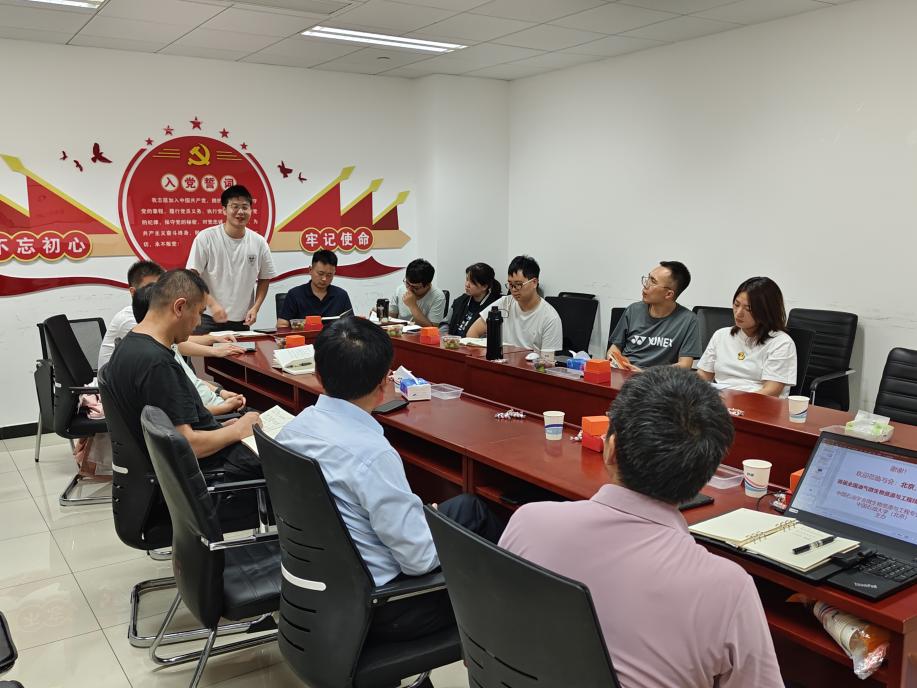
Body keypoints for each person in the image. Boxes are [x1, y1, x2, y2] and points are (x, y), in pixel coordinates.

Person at [499, 367, 783, 688]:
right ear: (706, 474)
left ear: (611, 449)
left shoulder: (528, 522)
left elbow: (488, 642)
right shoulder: (728, 588)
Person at [275, 317, 502, 664]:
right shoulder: (372, 455)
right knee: (486, 554)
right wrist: (432, 529)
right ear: (385, 382)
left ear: (318, 374)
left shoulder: (296, 429)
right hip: (389, 607)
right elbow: (419, 561)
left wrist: (422, 519)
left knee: (471, 508)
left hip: (320, 591)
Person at [105, 269, 263, 488]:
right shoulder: (157, 364)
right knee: (296, 457)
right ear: (179, 307)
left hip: (190, 464)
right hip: (211, 472)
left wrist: (222, 429)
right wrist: (237, 430)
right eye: (199, 312)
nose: (198, 323)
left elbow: (174, 425)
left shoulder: (130, 345)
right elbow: (189, 445)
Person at [98, 260, 246, 369]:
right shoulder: (130, 319)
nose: (158, 292)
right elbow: (176, 345)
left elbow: (174, 341)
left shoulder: (153, 315)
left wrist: (213, 338)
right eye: (151, 287)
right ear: (133, 292)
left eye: (160, 287)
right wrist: (213, 351)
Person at [131, 284, 248, 417]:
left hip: (216, 403)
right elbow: (185, 417)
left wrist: (220, 392)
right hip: (215, 414)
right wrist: (226, 408)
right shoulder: (159, 360)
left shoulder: (168, 345)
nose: (198, 322)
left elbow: (191, 379)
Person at [186, 185, 276, 333]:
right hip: (208, 317)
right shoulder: (206, 238)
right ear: (224, 210)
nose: (240, 212)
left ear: (251, 210)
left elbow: (265, 278)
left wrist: (255, 308)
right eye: (235, 206)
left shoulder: (259, 242)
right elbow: (192, 276)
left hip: (242, 320)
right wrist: (212, 304)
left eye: (245, 207)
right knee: (203, 349)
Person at [698, 276, 797, 397]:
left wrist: (735, 401)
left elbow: (771, 391)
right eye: (736, 304)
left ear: (766, 311)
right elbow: (703, 376)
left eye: (748, 309)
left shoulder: (781, 343)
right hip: (719, 401)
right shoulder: (721, 335)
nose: (738, 313)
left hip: (759, 403)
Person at [606, 261, 700, 370]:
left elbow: (685, 365)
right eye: (648, 278)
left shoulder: (688, 320)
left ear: (668, 294)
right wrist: (618, 362)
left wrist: (647, 373)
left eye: (653, 282)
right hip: (626, 372)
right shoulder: (633, 310)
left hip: (658, 378)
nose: (646, 285)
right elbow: (614, 349)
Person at [466, 255, 562, 352]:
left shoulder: (550, 318)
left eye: (518, 284)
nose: (513, 290)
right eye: (511, 285)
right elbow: (473, 332)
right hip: (501, 360)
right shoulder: (505, 303)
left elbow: (548, 359)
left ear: (534, 282)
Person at [277, 249, 352, 327]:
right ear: (310, 270)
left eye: (329, 275)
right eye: (320, 273)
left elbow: (351, 325)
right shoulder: (294, 295)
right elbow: (281, 325)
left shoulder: (341, 295)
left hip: (332, 335)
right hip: (304, 335)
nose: (324, 279)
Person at [446, 262, 502, 337]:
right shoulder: (460, 300)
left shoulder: (494, 307)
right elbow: (445, 323)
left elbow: (486, 337)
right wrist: (445, 336)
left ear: (484, 286)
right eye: (467, 280)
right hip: (451, 342)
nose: (467, 285)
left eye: (472, 282)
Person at [388, 258, 447, 327]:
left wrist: (413, 306)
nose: (409, 289)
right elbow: (391, 319)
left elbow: (433, 328)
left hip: (421, 333)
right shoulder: (400, 290)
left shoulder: (438, 296)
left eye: (415, 287)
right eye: (407, 283)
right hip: (400, 332)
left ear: (428, 285)